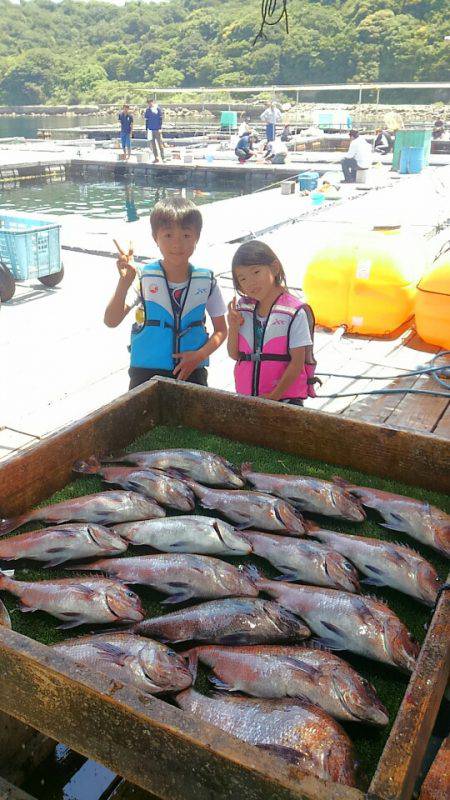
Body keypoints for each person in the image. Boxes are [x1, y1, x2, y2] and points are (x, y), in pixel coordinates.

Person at [104, 197, 227, 390]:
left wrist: (200, 355)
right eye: (168, 235)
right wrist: (124, 282)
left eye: (186, 235)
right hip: (146, 375)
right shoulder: (143, 278)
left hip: (191, 370)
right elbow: (111, 320)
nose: (177, 244)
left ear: (197, 237)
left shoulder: (207, 281)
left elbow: (221, 330)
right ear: (156, 238)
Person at [227, 240, 317, 405]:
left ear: (275, 268)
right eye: (243, 278)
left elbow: (297, 364)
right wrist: (233, 327)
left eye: (256, 272)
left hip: (284, 400)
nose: (251, 282)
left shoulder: (294, 312)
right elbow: (234, 355)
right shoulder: (243, 309)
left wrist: (274, 397)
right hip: (249, 398)